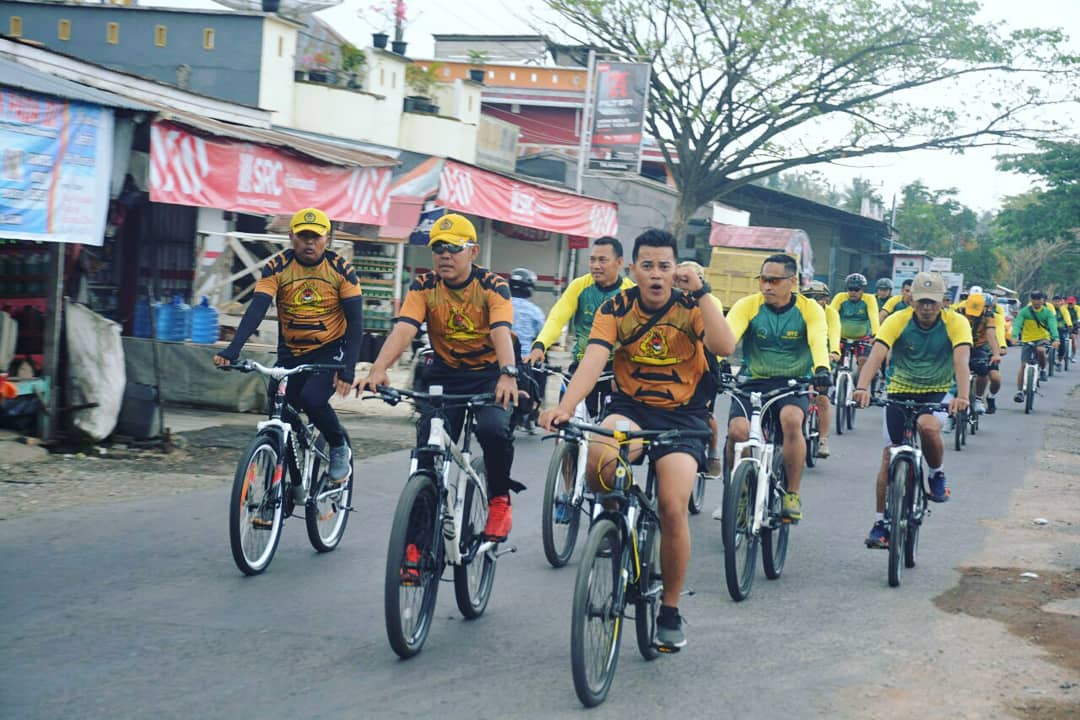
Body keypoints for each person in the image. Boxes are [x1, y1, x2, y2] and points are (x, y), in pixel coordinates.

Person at [539, 229, 736, 651]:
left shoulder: (694, 305)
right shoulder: (615, 307)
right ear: (633, 270)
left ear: (675, 269)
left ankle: (668, 608)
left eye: (665, 266)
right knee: (598, 458)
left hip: (683, 417)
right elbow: (593, 359)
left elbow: (724, 345)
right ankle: (615, 520)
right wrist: (566, 406)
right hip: (630, 407)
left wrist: (702, 293)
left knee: (671, 505)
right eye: (647, 266)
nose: (656, 274)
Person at [358, 213, 521, 541]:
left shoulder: (492, 285)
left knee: (493, 430)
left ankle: (500, 501)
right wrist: (379, 368)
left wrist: (508, 373)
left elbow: (501, 329)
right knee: (428, 451)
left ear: (473, 252)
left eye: (453, 247)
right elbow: (405, 327)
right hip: (446, 373)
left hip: (490, 373)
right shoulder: (424, 285)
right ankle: (417, 543)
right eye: (438, 247)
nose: (444, 254)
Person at [214, 208, 361, 485]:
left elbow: (355, 323)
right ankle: (284, 476)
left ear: (327, 239)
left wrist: (348, 369)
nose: (309, 243)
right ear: (291, 237)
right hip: (290, 351)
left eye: (315, 237)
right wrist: (232, 349)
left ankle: (338, 444)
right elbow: (256, 308)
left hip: (329, 350)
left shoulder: (341, 270)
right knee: (278, 401)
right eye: (303, 236)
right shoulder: (277, 266)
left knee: (313, 399)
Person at [854, 272, 972, 549]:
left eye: (933, 302)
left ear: (944, 301)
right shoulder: (898, 320)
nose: (927, 307)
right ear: (912, 300)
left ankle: (936, 474)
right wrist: (862, 387)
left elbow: (961, 360)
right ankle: (881, 522)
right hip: (899, 389)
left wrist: (963, 396)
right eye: (922, 302)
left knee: (928, 427)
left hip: (938, 390)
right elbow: (877, 354)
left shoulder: (957, 322)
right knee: (889, 456)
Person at [720, 255, 832, 523]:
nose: (766, 286)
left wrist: (821, 369)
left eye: (774, 281)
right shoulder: (748, 305)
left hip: (793, 382)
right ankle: (737, 490)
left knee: (792, 421)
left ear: (792, 282)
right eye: (763, 280)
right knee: (738, 432)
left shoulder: (809, 309)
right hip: (753, 379)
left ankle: (791, 493)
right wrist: (717, 361)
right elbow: (729, 334)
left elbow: (818, 339)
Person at [803, 281, 841, 458]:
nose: (814, 301)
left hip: (823, 358)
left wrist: (834, 351)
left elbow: (834, 332)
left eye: (818, 297)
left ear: (826, 299)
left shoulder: (831, 313)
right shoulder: (799, 310)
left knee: (823, 399)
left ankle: (823, 440)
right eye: (809, 297)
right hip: (802, 359)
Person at [509, 267, 546, 433]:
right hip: (525, 362)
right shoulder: (535, 312)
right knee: (544, 371)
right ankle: (532, 412)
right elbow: (543, 337)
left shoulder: (500, 305)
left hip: (498, 359)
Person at [954, 292, 1001, 414]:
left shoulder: (988, 316)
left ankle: (979, 398)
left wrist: (996, 354)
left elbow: (991, 335)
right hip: (959, 344)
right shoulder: (957, 312)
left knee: (982, 369)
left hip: (979, 346)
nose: (972, 316)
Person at [830, 273, 880, 375]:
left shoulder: (869, 299)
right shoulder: (840, 297)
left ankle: (860, 387)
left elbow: (874, 317)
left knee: (864, 362)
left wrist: (876, 335)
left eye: (856, 289)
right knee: (832, 360)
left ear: (863, 290)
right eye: (850, 289)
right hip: (841, 338)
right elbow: (830, 315)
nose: (853, 292)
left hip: (862, 338)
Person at [1011, 291, 1059, 398]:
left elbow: (1052, 326)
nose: (1036, 301)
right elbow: (1018, 324)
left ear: (1043, 300)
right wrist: (1014, 336)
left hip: (1042, 338)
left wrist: (1056, 338)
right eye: (1034, 299)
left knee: (1041, 350)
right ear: (1031, 300)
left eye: (1039, 299)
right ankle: (1019, 391)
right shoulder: (1024, 312)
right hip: (1027, 339)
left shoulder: (1047, 313)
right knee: (1023, 365)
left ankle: (1042, 369)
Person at [1051, 295, 1073, 369]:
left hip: (1059, 329)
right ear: (1052, 302)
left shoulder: (1063, 310)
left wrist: (1069, 325)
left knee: (1062, 343)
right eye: (1055, 301)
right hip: (1049, 328)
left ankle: (1059, 361)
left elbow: (1067, 318)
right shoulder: (1049, 308)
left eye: (1058, 302)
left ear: (1061, 302)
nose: (1056, 303)